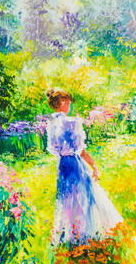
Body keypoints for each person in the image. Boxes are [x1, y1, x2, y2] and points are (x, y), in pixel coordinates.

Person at [44, 88, 123, 246]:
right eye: (66, 100)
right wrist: (94, 165)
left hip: (63, 165)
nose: (69, 103)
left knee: (67, 198)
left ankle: (70, 234)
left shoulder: (51, 124)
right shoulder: (72, 122)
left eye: (68, 100)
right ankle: (86, 234)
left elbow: (54, 148)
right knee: (84, 197)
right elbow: (80, 149)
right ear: (60, 103)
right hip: (74, 163)